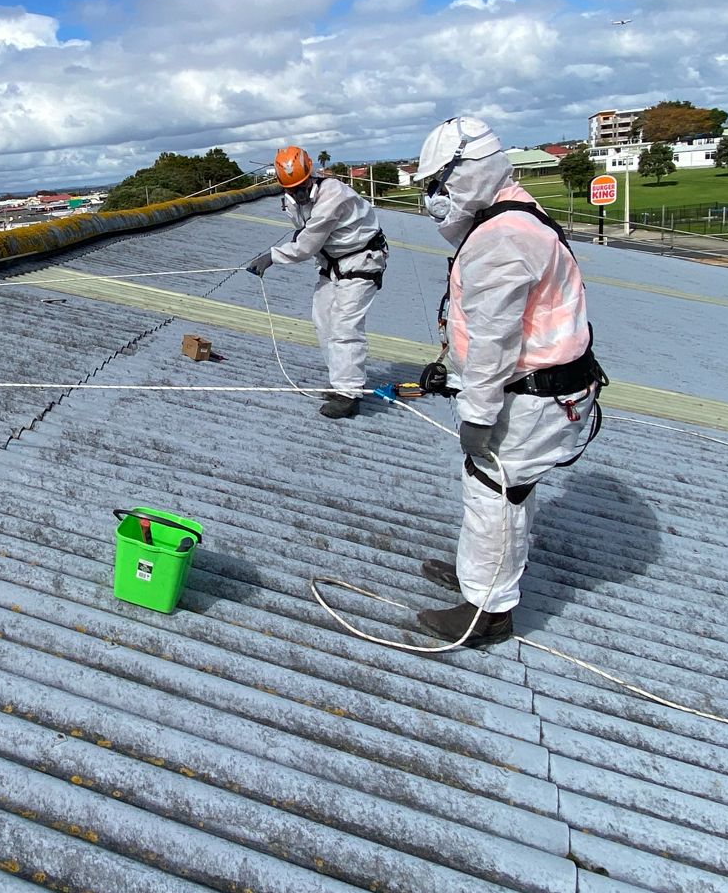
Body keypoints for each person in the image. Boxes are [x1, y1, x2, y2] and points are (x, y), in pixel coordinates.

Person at [411, 117, 604, 647]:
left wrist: (476, 413)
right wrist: (453, 375)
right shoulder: (516, 214)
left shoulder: (500, 239)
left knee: (493, 492)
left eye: (438, 184)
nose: (434, 198)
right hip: (549, 390)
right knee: (506, 492)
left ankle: (487, 611)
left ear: (466, 174)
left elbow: (496, 341)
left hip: (529, 399)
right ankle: (481, 573)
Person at [245, 146, 387, 418]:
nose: (298, 193)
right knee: (323, 319)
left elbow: (307, 244)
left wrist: (271, 257)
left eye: (302, 186)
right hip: (332, 264)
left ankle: (348, 394)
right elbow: (303, 231)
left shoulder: (334, 195)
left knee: (346, 326)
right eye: (292, 189)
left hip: (362, 261)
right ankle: (340, 380)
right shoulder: (291, 201)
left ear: (311, 175)